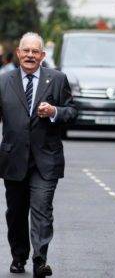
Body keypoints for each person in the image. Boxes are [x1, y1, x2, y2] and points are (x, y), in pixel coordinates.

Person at [0, 32, 77, 277]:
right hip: (13, 159)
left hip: (45, 159)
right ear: (19, 53)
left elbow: (73, 112)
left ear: (43, 56)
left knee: (42, 210)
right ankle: (19, 256)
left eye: (35, 51)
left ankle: (40, 260)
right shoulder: (4, 81)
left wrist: (54, 111)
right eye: (26, 51)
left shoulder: (57, 79)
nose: (30, 55)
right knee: (16, 213)